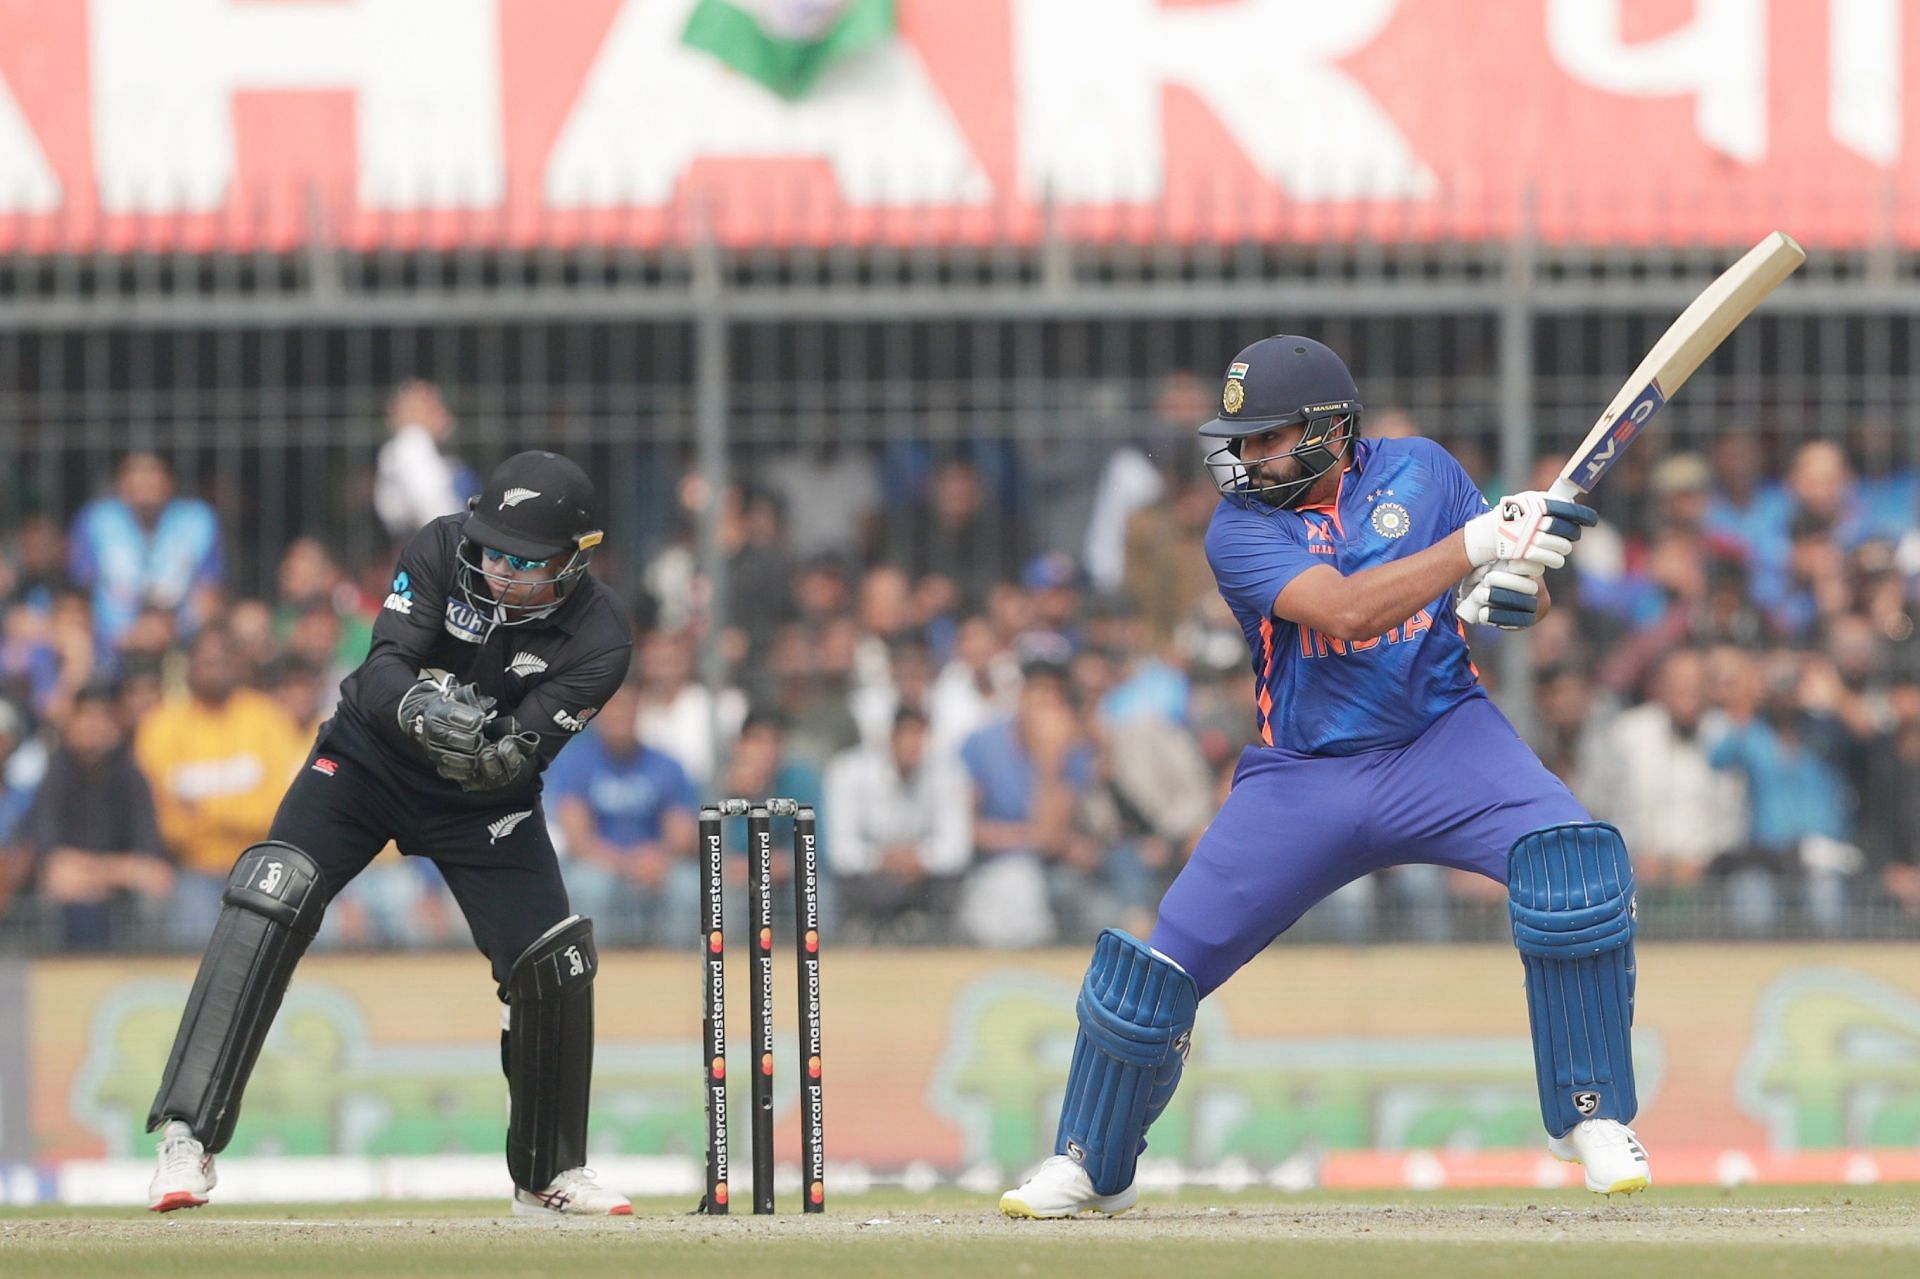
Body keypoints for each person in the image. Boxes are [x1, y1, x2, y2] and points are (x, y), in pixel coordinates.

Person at [1000, 335, 1647, 1219]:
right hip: (1305, 773)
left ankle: (1592, 1112)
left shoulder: (1423, 470)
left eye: (1268, 437)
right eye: (1243, 438)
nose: (1247, 456)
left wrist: (1517, 581)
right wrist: (1476, 542)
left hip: (1444, 737)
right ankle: (1087, 1160)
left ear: (1331, 429)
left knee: (1574, 864)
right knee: (1157, 969)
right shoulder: (1239, 530)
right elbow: (1346, 612)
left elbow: (1502, 591)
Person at [145, 452, 635, 1218]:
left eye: (524, 560)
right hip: (366, 760)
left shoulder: (602, 637)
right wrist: (417, 708)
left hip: (481, 800)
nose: (500, 569)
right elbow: (380, 669)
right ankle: (185, 1136)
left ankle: (548, 1173)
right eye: (492, 549)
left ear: (577, 557)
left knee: (553, 961)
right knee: (267, 895)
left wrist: (492, 747)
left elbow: (522, 754)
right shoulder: (441, 546)